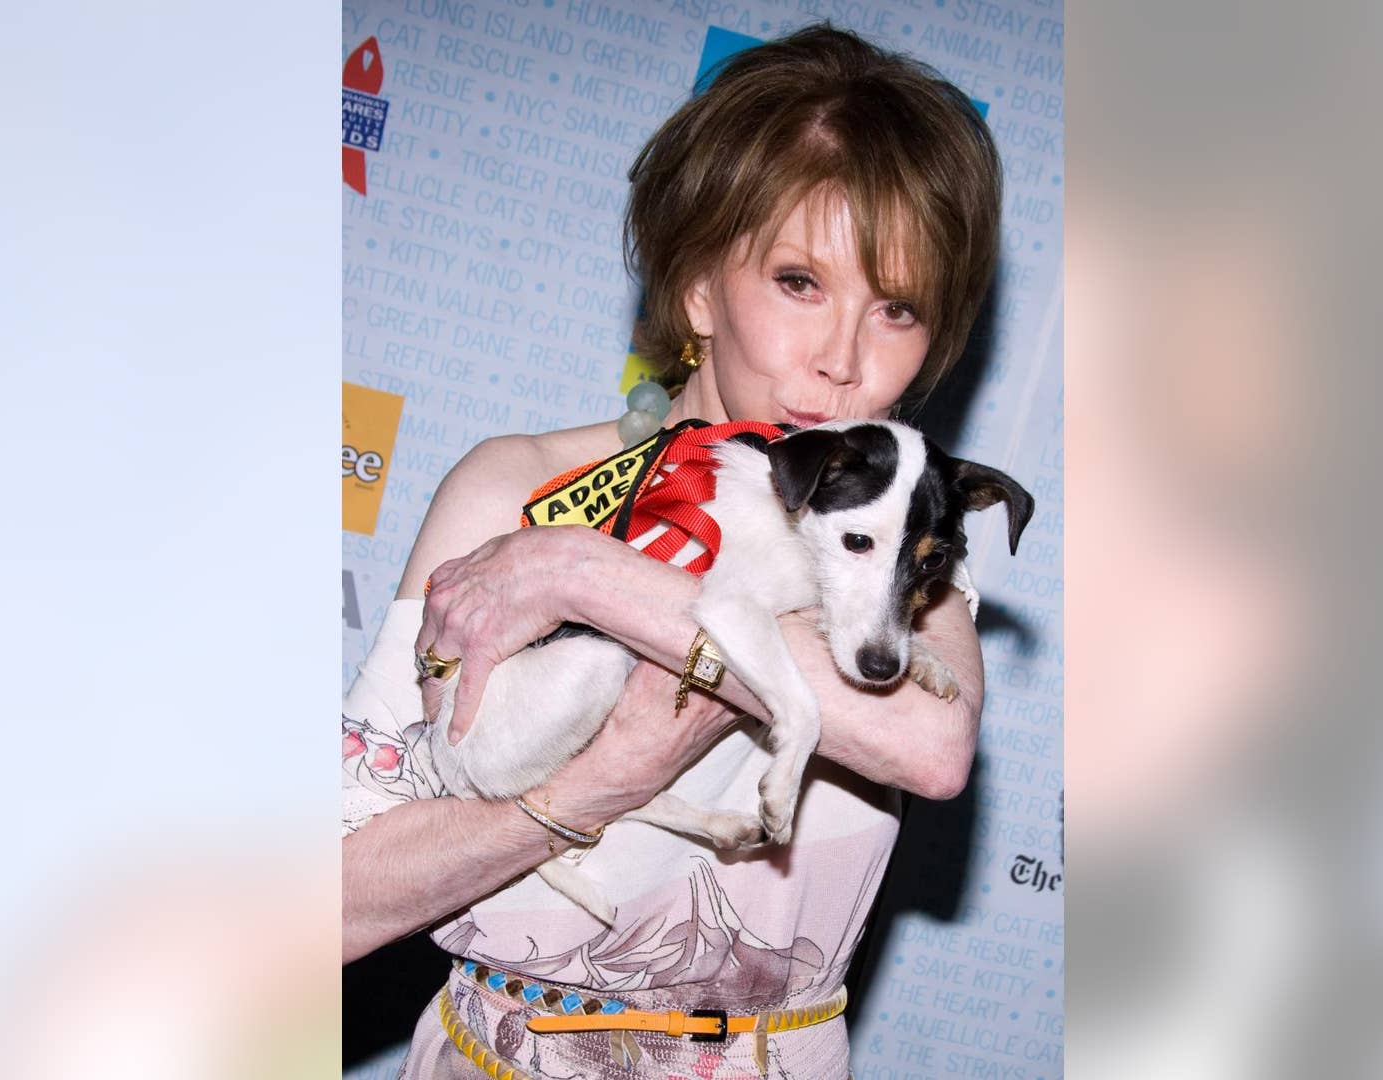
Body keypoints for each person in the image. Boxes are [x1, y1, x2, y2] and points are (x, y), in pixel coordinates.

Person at [342, 25, 1004, 1079]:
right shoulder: (517, 489)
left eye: (898, 308)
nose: (842, 360)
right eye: (799, 282)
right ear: (699, 287)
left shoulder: (883, 534)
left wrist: (584, 574)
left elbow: (928, 746)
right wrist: (583, 793)